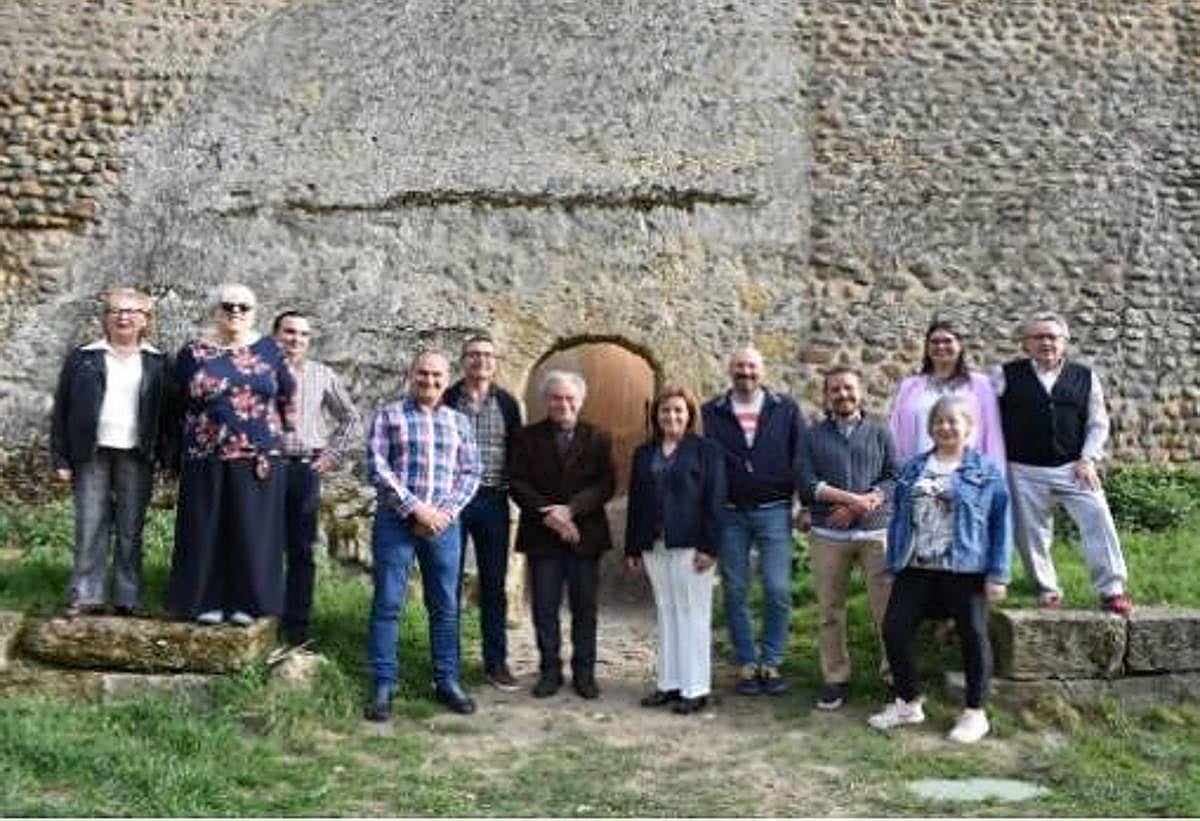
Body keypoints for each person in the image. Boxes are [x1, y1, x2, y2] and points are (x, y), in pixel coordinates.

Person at [869, 394, 1010, 744]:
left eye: (953, 421)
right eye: (939, 421)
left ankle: (975, 713)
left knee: (973, 636)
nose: (945, 427)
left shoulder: (986, 469)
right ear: (930, 427)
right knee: (895, 629)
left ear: (969, 428)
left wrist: (998, 574)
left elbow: (1000, 523)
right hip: (916, 565)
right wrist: (893, 562)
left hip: (965, 567)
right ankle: (908, 702)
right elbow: (900, 519)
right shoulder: (913, 468)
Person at [167, 283, 296, 626]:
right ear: (216, 309)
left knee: (251, 530)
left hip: (258, 456)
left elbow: (286, 396)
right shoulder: (193, 353)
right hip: (204, 452)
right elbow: (176, 400)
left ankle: (248, 602)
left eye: (243, 307)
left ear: (254, 313)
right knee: (205, 529)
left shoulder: (270, 350)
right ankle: (203, 601)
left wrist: (276, 437)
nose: (235, 312)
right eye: (228, 305)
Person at [364, 349, 481, 720]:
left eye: (436, 376)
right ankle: (383, 684)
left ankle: (447, 681)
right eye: (422, 374)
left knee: (445, 607)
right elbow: (377, 467)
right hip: (396, 523)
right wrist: (416, 509)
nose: (429, 381)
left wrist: (443, 513)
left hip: (444, 526)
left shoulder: (460, 422)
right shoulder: (389, 415)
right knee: (388, 603)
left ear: (447, 380)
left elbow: (471, 472)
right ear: (410, 374)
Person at [995, 312, 1132, 615]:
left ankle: (1112, 590)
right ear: (1025, 344)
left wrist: (1088, 458)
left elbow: (1098, 423)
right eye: (1038, 337)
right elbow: (987, 417)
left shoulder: (1085, 376)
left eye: (1052, 337)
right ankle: (1048, 590)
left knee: (1098, 518)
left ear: (1064, 342)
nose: (1046, 342)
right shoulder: (1005, 374)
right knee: (1031, 534)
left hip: (1074, 467)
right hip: (1023, 468)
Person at [51, 287, 172, 617]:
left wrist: (167, 457)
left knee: (131, 529)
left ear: (145, 320)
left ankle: (127, 597)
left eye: (133, 311)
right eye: (116, 310)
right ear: (105, 318)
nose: (124, 316)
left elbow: (168, 414)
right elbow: (62, 409)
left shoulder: (158, 362)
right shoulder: (83, 357)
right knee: (89, 524)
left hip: (137, 453)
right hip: (90, 453)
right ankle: (86, 594)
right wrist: (60, 458)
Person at [702, 346, 808, 695]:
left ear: (762, 371)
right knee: (735, 590)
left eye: (751, 366)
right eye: (739, 366)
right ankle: (747, 662)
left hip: (775, 509)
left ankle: (771, 661)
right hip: (731, 513)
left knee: (777, 588)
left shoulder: (785, 409)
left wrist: (804, 504)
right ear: (729, 370)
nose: (745, 372)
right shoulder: (712, 412)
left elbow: (801, 457)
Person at [509, 370, 615, 700]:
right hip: (542, 537)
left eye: (570, 398)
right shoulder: (526, 438)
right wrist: (550, 514)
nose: (563, 404)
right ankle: (549, 672)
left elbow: (606, 484)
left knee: (585, 608)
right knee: (544, 607)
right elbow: (517, 483)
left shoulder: (598, 437)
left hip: (585, 535)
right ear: (545, 401)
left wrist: (571, 510)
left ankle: (585, 674)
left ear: (581, 401)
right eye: (556, 397)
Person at [796, 367, 898, 711]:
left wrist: (861, 505)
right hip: (829, 535)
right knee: (829, 611)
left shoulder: (881, 432)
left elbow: (894, 477)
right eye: (835, 389)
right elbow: (807, 483)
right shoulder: (812, 436)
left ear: (861, 392)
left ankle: (895, 676)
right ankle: (835, 677)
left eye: (849, 388)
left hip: (876, 533)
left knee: (887, 610)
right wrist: (850, 500)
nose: (843, 394)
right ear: (827, 395)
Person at [624, 386, 725, 715]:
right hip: (654, 544)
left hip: (692, 545)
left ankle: (695, 688)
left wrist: (710, 547)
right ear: (656, 415)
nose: (672, 416)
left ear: (690, 414)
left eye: (679, 410)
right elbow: (636, 502)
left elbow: (715, 501)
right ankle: (669, 683)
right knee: (666, 611)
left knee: (693, 613)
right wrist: (633, 547)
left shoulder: (706, 451)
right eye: (665, 410)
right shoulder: (644, 453)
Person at [272, 310, 363, 648]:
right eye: (289, 332)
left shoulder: (321, 375)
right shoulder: (261, 371)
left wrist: (331, 456)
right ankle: (261, 616)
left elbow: (351, 420)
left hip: (303, 469)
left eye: (303, 334)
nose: (295, 339)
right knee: (261, 546)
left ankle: (296, 626)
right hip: (264, 467)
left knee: (301, 549)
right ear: (275, 335)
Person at [442, 332, 523, 690]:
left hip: (493, 500)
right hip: (453, 502)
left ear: (496, 363)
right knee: (447, 582)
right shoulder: (447, 398)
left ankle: (496, 663)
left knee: (494, 584)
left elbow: (518, 452)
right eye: (474, 355)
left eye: (488, 356)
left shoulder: (507, 403)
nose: (481, 361)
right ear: (464, 361)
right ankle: (448, 664)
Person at [889, 319, 1006, 465]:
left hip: (968, 473)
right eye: (934, 342)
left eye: (947, 341)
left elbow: (992, 434)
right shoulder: (909, 386)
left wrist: (995, 472)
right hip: (919, 469)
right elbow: (894, 431)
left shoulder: (981, 385)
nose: (941, 346)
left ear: (960, 345)